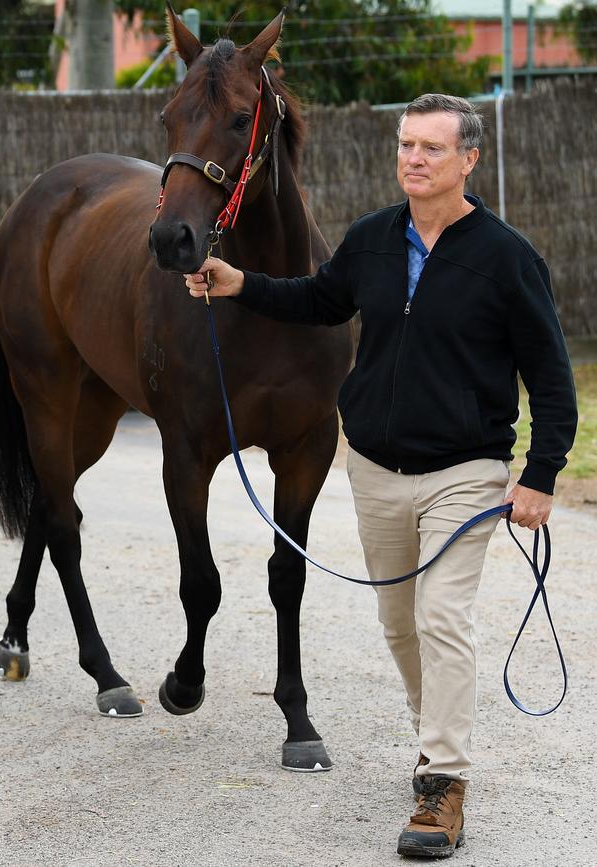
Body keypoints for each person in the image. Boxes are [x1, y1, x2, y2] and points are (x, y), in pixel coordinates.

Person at [184, 93, 577, 859]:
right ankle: (441, 740)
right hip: (374, 468)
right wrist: (241, 284)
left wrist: (542, 472)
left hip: (466, 473)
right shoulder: (370, 241)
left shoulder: (508, 257)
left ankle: (442, 782)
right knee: (399, 623)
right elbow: (320, 300)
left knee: (441, 619)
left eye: (431, 148)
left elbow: (553, 379)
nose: (414, 159)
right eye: (406, 145)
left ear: (468, 159)